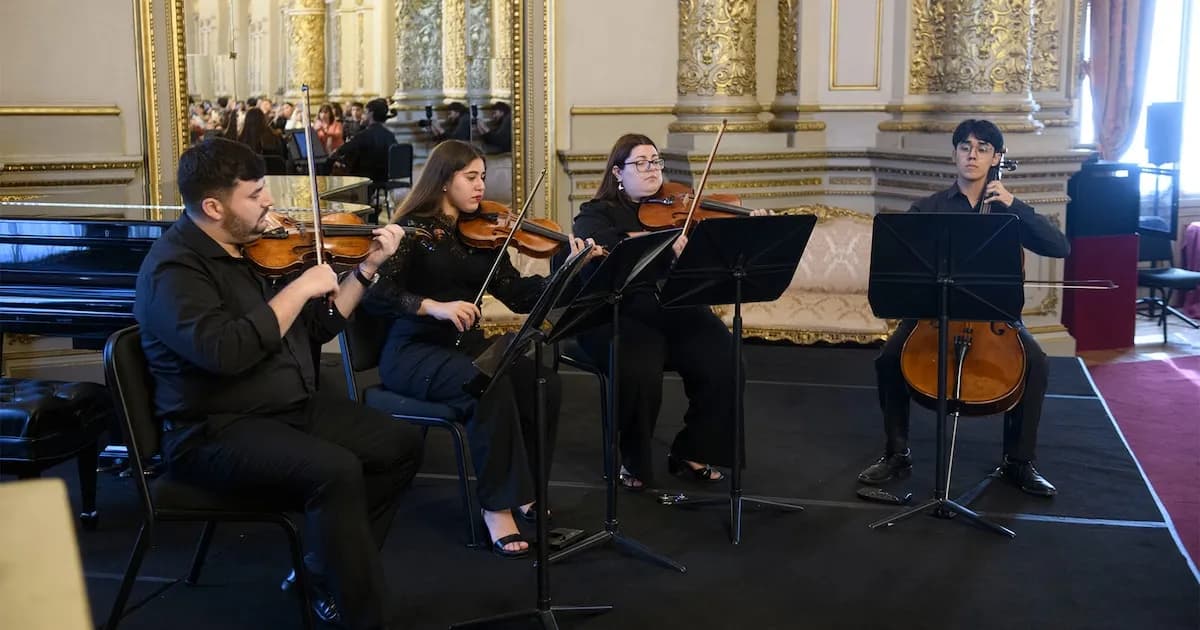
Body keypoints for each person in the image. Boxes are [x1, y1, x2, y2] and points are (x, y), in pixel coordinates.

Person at [133, 137, 422, 630]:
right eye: (254, 194)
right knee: (335, 470)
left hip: (284, 408)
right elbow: (227, 352)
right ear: (213, 206)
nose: (268, 201)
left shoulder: (252, 248)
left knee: (399, 443)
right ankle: (360, 612)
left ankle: (320, 569)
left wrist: (367, 268)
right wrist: (300, 287)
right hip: (213, 429)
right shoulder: (173, 270)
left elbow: (318, 326)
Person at [362, 139, 601, 557]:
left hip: (465, 349)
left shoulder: (481, 235)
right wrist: (431, 306)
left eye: (483, 178)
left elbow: (520, 295)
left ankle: (527, 487)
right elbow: (374, 293)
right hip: (414, 353)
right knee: (486, 384)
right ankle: (497, 507)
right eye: (470, 177)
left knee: (540, 378)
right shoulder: (413, 232)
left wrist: (568, 270)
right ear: (442, 181)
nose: (480, 187)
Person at [856, 118, 1069, 497]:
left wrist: (1015, 205)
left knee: (1036, 363)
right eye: (965, 147)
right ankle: (896, 452)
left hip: (995, 314)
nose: (972, 154)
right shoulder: (928, 207)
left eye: (983, 148)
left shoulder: (1008, 211)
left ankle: (1019, 462)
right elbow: (901, 258)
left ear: (996, 157)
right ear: (954, 154)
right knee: (889, 359)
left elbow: (1059, 247)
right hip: (934, 312)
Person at [570, 133, 767, 491]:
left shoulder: (681, 206)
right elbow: (600, 247)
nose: (651, 170)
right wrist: (658, 244)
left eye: (656, 161)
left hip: (674, 305)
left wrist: (752, 228)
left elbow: (719, 253)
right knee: (640, 368)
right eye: (640, 163)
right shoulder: (596, 212)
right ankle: (634, 459)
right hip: (618, 309)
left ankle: (694, 448)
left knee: (726, 359)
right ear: (617, 172)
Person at [330, 97, 397, 187]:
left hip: (365, 178)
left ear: (371, 114)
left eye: (365, 113)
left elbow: (341, 151)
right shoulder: (390, 135)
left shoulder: (363, 135)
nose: (362, 116)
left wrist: (333, 156)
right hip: (384, 177)